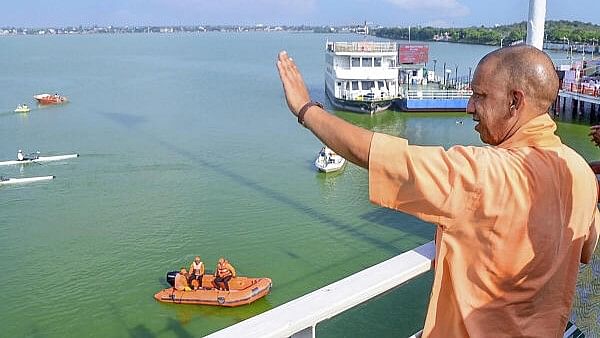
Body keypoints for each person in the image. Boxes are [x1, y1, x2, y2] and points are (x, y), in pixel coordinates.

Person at [276, 45, 599, 337]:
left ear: (515, 102)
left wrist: (307, 110)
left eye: (480, 96)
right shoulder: (580, 172)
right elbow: (585, 250)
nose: (469, 107)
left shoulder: (484, 173)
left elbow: (378, 155)